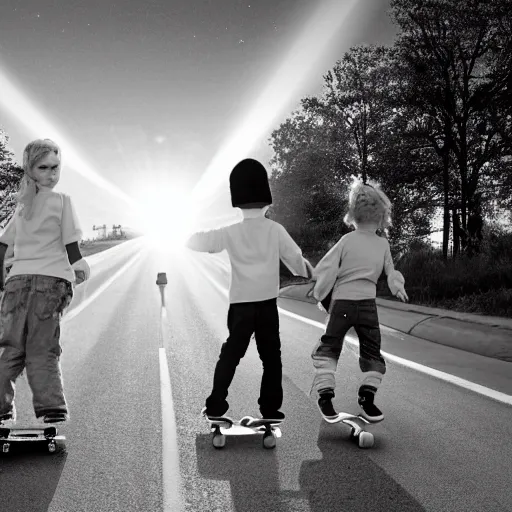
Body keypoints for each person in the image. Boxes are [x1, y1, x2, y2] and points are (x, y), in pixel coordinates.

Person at [186, 158, 312, 421]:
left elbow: (203, 241)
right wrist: (309, 272)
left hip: (241, 306)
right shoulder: (275, 229)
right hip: (267, 306)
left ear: (237, 200)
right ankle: (270, 409)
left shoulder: (231, 231)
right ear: (267, 199)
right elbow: (295, 257)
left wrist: (186, 236)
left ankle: (216, 404)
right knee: (271, 358)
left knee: (231, 354)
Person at [0, 139, 90, 425]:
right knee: (41, 346)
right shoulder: (62, 200)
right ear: (31, 169)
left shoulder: (22, 205)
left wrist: (3, 281)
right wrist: (78, 264)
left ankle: (1, 408)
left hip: (17, 284)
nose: (52, 174)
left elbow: (3, 244)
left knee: (10, 346)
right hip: (50, 284)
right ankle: (51, 407)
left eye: (56, 167)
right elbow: (70, 241)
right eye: (44, 168)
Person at [309, 178, 408, 423]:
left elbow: (327, 268)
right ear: (383, 215)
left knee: (330, 348)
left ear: (353, 214)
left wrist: (319, 292)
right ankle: (367, 398)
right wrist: (398, 287)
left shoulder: (346, 240)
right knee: (373, 353)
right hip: (367, 307)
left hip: (342, 304)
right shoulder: (383, 244)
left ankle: (325, 395)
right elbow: (391, 272)